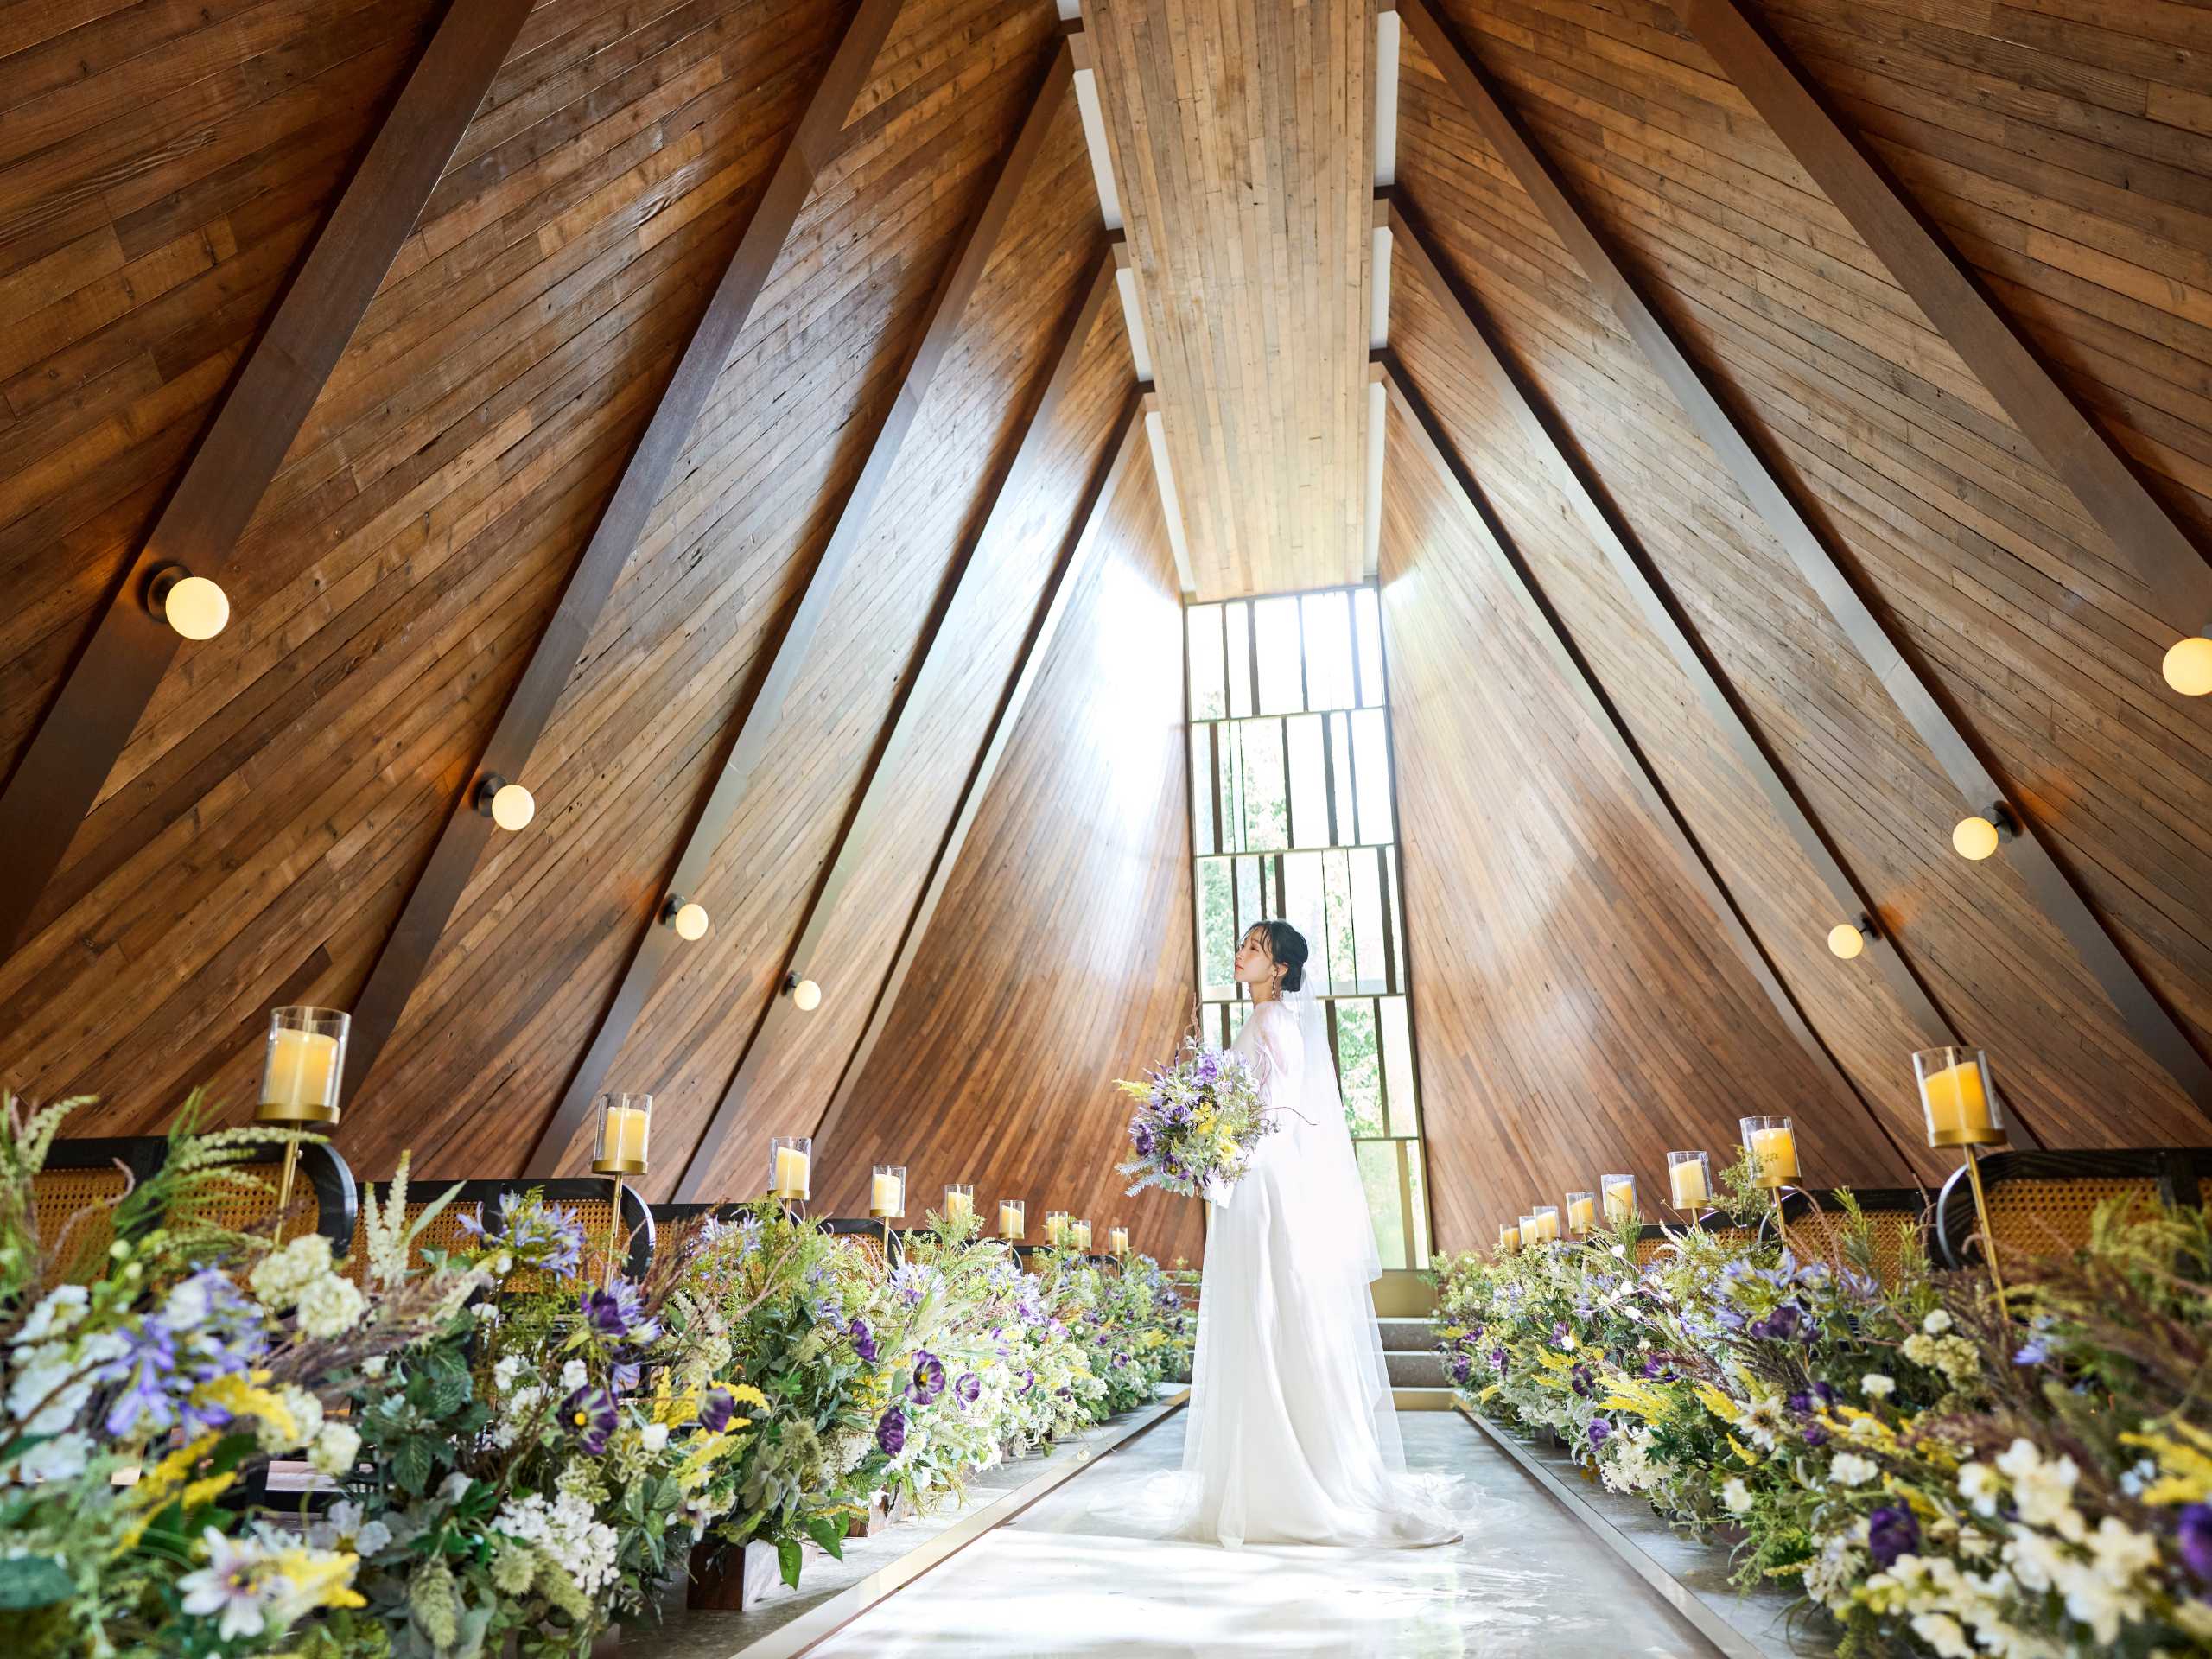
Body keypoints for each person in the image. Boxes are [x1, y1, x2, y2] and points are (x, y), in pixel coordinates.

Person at [1171, 918, 1459, 1548]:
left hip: (1261, 1183)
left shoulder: (1274, 1023)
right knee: (1263, 1315)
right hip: (1254, 1180)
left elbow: (1273, 1118)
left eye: (1255, 948)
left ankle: (1286, 1478)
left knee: (1267, 1312)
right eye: (1243, 943)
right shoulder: (1265, 1023)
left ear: (1279, 970)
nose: (1241, 953)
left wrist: (1216, 1152)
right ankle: (1266, 1470)